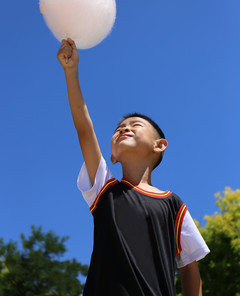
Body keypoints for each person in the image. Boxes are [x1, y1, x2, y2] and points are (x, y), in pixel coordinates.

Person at [57, 38, 210, 296]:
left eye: (135, 125)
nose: (124, 128)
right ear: (112, 157)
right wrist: (71, 73)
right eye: (118, 128)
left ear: (159, 145)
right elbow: (84, 128)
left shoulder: (173, 204)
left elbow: (189, 267)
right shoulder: (104, 189)